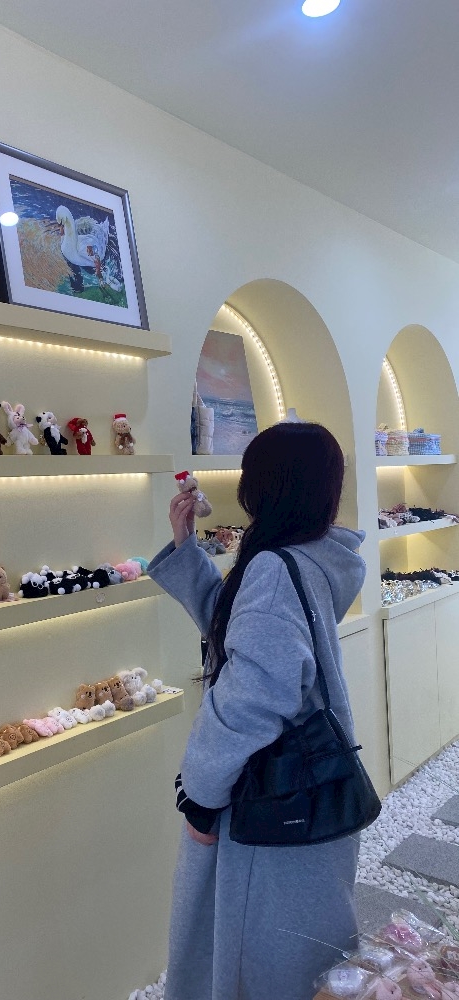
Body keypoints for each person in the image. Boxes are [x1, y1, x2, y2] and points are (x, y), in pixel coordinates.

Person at [148, 421, 367, 1000]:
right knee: (304, 950)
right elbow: (245, 633)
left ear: (264, 486)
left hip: (265, 795)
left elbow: (255, 693)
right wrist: (187, 549)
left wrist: (200, 794)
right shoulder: (314, 556)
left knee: (253, 957)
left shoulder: (274, 567)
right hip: (308, 789)